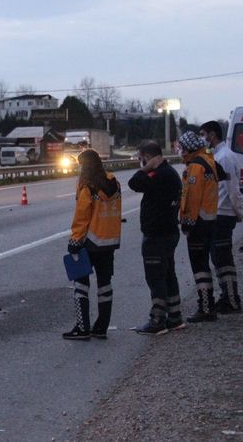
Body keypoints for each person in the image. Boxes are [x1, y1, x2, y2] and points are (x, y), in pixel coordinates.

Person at [64, 149, 122, 340]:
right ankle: (101, 327)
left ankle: (82, 327)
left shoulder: (87, 185)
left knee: (81, 284)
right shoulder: (114, 183)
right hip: (109, 242)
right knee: (105, 285)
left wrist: (75, 240)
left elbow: (82, 215)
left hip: (89, 242)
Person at [128, 142, 184, 335]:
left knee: (155, 277)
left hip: (156, 235)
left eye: (140, 158)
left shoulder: (159, 175)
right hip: (169, 232)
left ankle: (158, 319)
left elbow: (134, 183)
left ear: (148, 157)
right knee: (168, 274)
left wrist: (147, 167)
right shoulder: (170, 173)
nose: (139, 162)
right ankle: (175, 316)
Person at [201, 120, 243, 313]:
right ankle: (226, 296)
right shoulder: (217, 155)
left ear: (212, 135)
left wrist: (239, 212)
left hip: (223, 214)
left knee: (222, 258)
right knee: (218, 258)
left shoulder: (225, 157)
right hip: (217, 214)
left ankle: (232, 300)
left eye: (203, 134)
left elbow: (232, 189)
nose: (202, 139)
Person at [178, 130, 220, 323]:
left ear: (188, 148)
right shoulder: (209, 160)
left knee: (200, 267)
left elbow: (192, 197)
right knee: (204, 264)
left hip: (199, 222)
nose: (180, 151)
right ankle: (207, 305)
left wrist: (187, 222)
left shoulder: (196, 166)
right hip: (210, 218)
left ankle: (205, 307)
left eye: (182, 147)